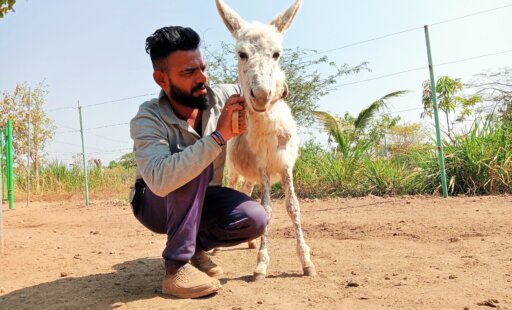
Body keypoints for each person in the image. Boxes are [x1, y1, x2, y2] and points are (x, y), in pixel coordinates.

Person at [129, 26, 268, 299]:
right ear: (161, 79)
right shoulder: (147, 118)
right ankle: (176, 269)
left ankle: (194, 248)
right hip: (154, 202)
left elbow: (259, 85)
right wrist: (220, 136)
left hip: (203, 197)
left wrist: (273, 84)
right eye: (189, 73)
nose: (202, 78)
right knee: (191, 164)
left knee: (255, 218)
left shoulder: (224, 97)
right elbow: (160, 179)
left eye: (202, 68)